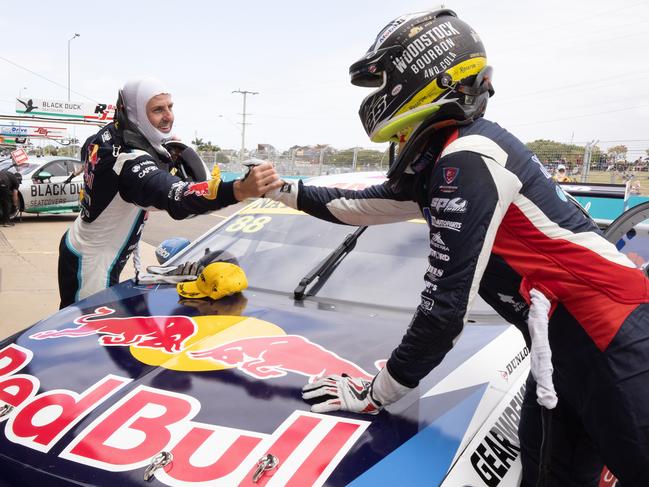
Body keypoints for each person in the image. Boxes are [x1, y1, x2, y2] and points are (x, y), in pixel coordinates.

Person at [267, 10, 649, 486]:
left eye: (380, 81)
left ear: (421, 76)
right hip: (560, 352)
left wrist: (376, 393)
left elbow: (444, 308)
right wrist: (277, 188)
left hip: (615, 342)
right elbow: (354, 206)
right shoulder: (450, 155)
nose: (377, 98)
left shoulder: (469, 156)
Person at [58, 77, 281, 309]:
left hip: (83, 244)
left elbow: (89, 150)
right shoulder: (130, 162)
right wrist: (237, 189)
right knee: (87, 335)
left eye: (170, 107)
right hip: (93, 262)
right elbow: (176, 197)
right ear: (133, 112)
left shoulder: (106, 134)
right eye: (157, 110)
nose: (168, 116)